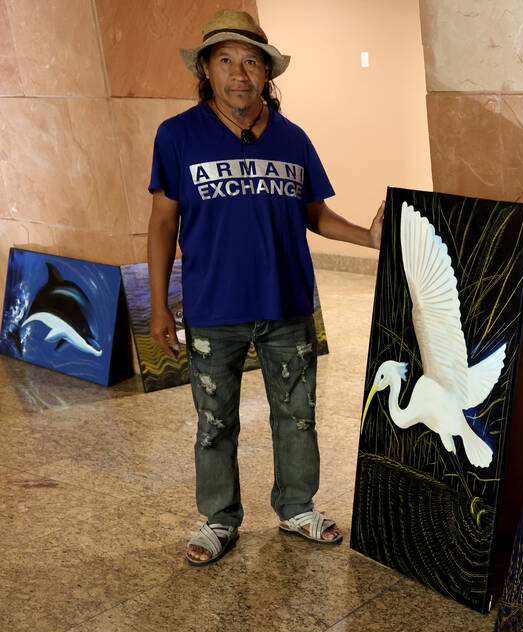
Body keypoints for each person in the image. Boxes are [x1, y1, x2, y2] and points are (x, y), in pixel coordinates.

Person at [147, 9, 382, 566]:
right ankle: (219, 519)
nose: (239, 74)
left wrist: (371, 239)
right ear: (205, 69)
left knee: (297, 414)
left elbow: (314, 215)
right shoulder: (177, 136)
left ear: (266, 73)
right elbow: (162, 224)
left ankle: (298, 506)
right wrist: (159, 307)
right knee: (213, 422)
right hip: (212, 308)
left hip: (288, 305)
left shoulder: (292, 139)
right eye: (225, 60)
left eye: (251, 61)